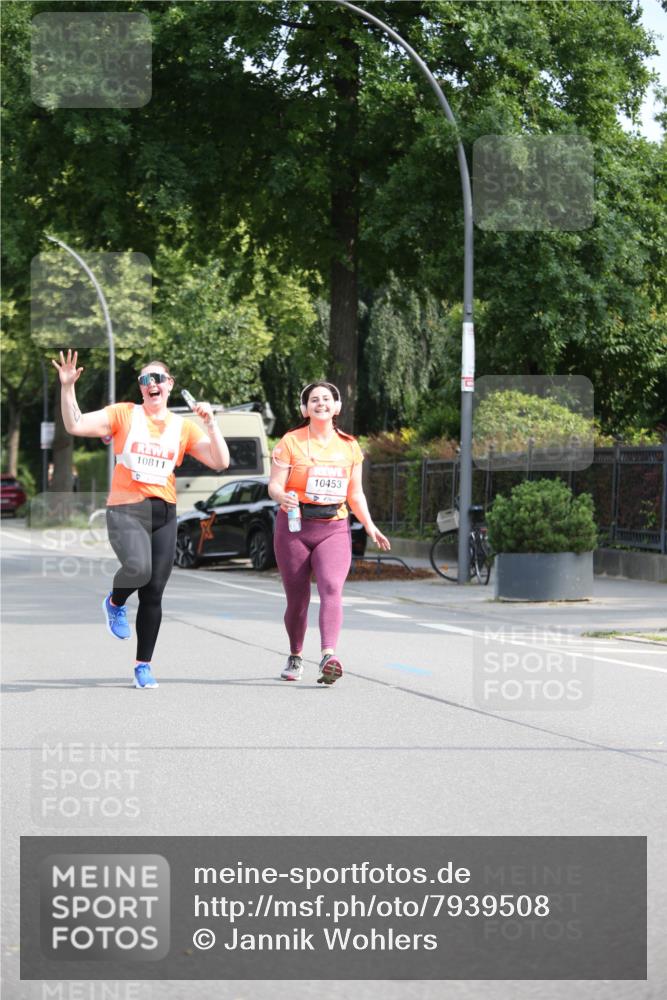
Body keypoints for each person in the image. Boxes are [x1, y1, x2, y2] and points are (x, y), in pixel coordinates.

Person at [52, 349, 230, 689]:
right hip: (125, 507)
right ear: (141, 388)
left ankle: (143, 665)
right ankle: (115, 602)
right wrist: (67, 387)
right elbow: (75, 424)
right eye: (145, 380)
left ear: (170, 385)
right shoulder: (124, 415)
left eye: (158, 379)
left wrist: (211, 423)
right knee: (138, 567)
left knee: (154, 592)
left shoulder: (183, 427)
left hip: (164, 512)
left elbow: (220, 461)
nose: (152, 384)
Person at [268, 381, 390, 685]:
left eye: (326, 399)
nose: (320, 403)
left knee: (332, 587)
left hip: (334, 526)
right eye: (313, 400)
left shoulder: (349, 446)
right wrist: (281, 496)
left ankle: (328, 655)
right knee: (297, 600)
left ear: (336, 407)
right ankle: (295, 655)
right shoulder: (291, 442)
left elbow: (356, 494)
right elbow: (274, 485)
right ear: (304, 409)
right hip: (294, 527)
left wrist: (371, 526)